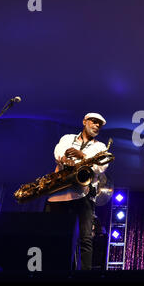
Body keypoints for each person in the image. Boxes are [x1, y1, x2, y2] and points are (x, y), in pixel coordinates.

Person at [44, 112, 110, 270]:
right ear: (84, 121)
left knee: (85, 239)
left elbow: (100, 167)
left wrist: (82, 155)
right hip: (58, 194)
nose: (96, 126)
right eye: (93, 122)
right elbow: (58, 151)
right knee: (54, 235)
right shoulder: (67, 138)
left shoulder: (100, 147)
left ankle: (85, 276)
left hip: (83, 194)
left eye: (99, 124)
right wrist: (64, 159)